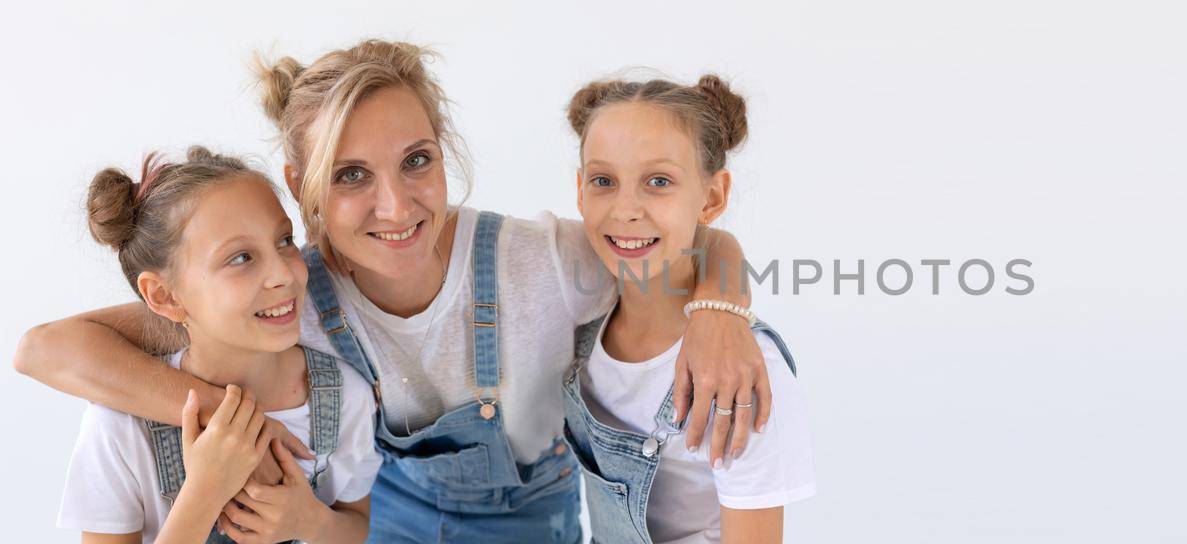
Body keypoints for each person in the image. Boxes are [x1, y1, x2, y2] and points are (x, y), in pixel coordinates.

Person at [16, 40, 773, 542]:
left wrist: (720, 307)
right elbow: (43, 348)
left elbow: (687, 242)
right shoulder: (283, 298)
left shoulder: (535, 261)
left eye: (416, 161)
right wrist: (225, 417)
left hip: (531, 525)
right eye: (350, 176)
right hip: (382, 526)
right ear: (299, 187)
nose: (395, 205)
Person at [58, 147, 380, 543]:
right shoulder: (119, 428)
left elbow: (355, 526)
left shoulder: (347, 395)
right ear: (164, 297)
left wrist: (311, 521)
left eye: (284, 240)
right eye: (241, 257)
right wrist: (204, 493)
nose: (284, 273)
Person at [561, 75, 816, 543]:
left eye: (659, 181)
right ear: (580, 191)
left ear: (712, 197)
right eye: (604, 180)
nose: (626, 209)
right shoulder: (579, 308)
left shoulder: (742, 371)